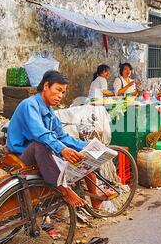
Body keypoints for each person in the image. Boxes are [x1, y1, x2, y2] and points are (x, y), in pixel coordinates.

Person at [7, 70, 111, 208]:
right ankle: (64, 190)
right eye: (58, 90)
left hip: (42, 155)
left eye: (63, 92)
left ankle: (95, 197)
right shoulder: (29, 105)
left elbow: (61, 136)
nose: (60, 95)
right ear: (46, 86)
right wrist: (62, 149)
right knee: (40, 145)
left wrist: (88, 146)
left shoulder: (49, 110)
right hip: (19, 156)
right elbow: (41, 134)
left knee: (82, 155)